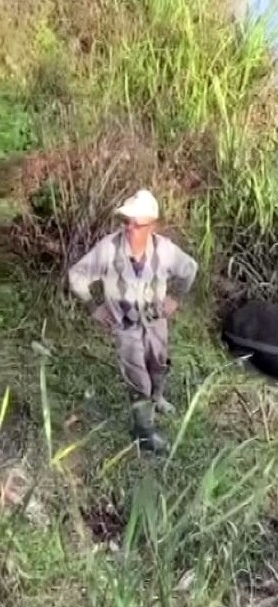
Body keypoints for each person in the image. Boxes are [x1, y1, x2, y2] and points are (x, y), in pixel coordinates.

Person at [68, 189, 198, 453]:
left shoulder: (164, 250)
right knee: (138, 378)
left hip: (156, 322)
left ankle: (158, 397)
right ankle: (145, 434)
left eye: (137, 225)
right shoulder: (108, 248)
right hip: (125, 328)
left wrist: (175, 298)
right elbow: (77, 274)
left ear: (152, 226)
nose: (129, 229)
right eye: (126, 222)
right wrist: (93, 306)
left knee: (158, 364)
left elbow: (190, 269)